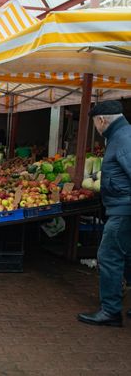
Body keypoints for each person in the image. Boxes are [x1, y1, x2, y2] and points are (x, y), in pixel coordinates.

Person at [78, 100, 131, 327]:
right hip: (122, 207)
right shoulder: (121, 135)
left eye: (95, 123)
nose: (97, 129)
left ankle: (110, 311)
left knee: (109, 256)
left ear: (101, 120)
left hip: (124, 210)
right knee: (127, 256)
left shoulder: (123, 138)